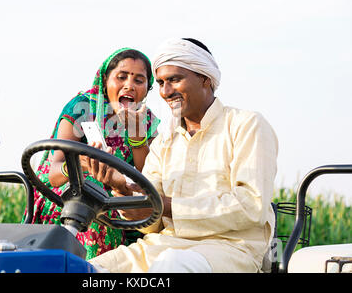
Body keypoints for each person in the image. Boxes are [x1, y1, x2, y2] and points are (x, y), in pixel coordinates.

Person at [88, 38, 279, 273]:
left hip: (230, 249)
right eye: (160, 83)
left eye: (174, 80)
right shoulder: (164, 141)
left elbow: (251, 206)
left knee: (171, 266)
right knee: (85, 269)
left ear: (205, 78)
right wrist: (121, 189)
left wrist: (166, 205)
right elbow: (150, 224)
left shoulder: (246, 125)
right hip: (160, 247)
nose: (166, 92)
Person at [25, 47, 161, 260]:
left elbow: (149, 176)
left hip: (119, 198)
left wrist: (137, 136)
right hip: (67, 197)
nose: (129, 86)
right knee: (96, 221)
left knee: (160, 238)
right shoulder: (83, 106)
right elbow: (54, 174)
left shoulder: (146, 120)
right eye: (122, 77)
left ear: (147, 87)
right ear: (106, 80)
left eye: (139, 80)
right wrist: (83, 164)